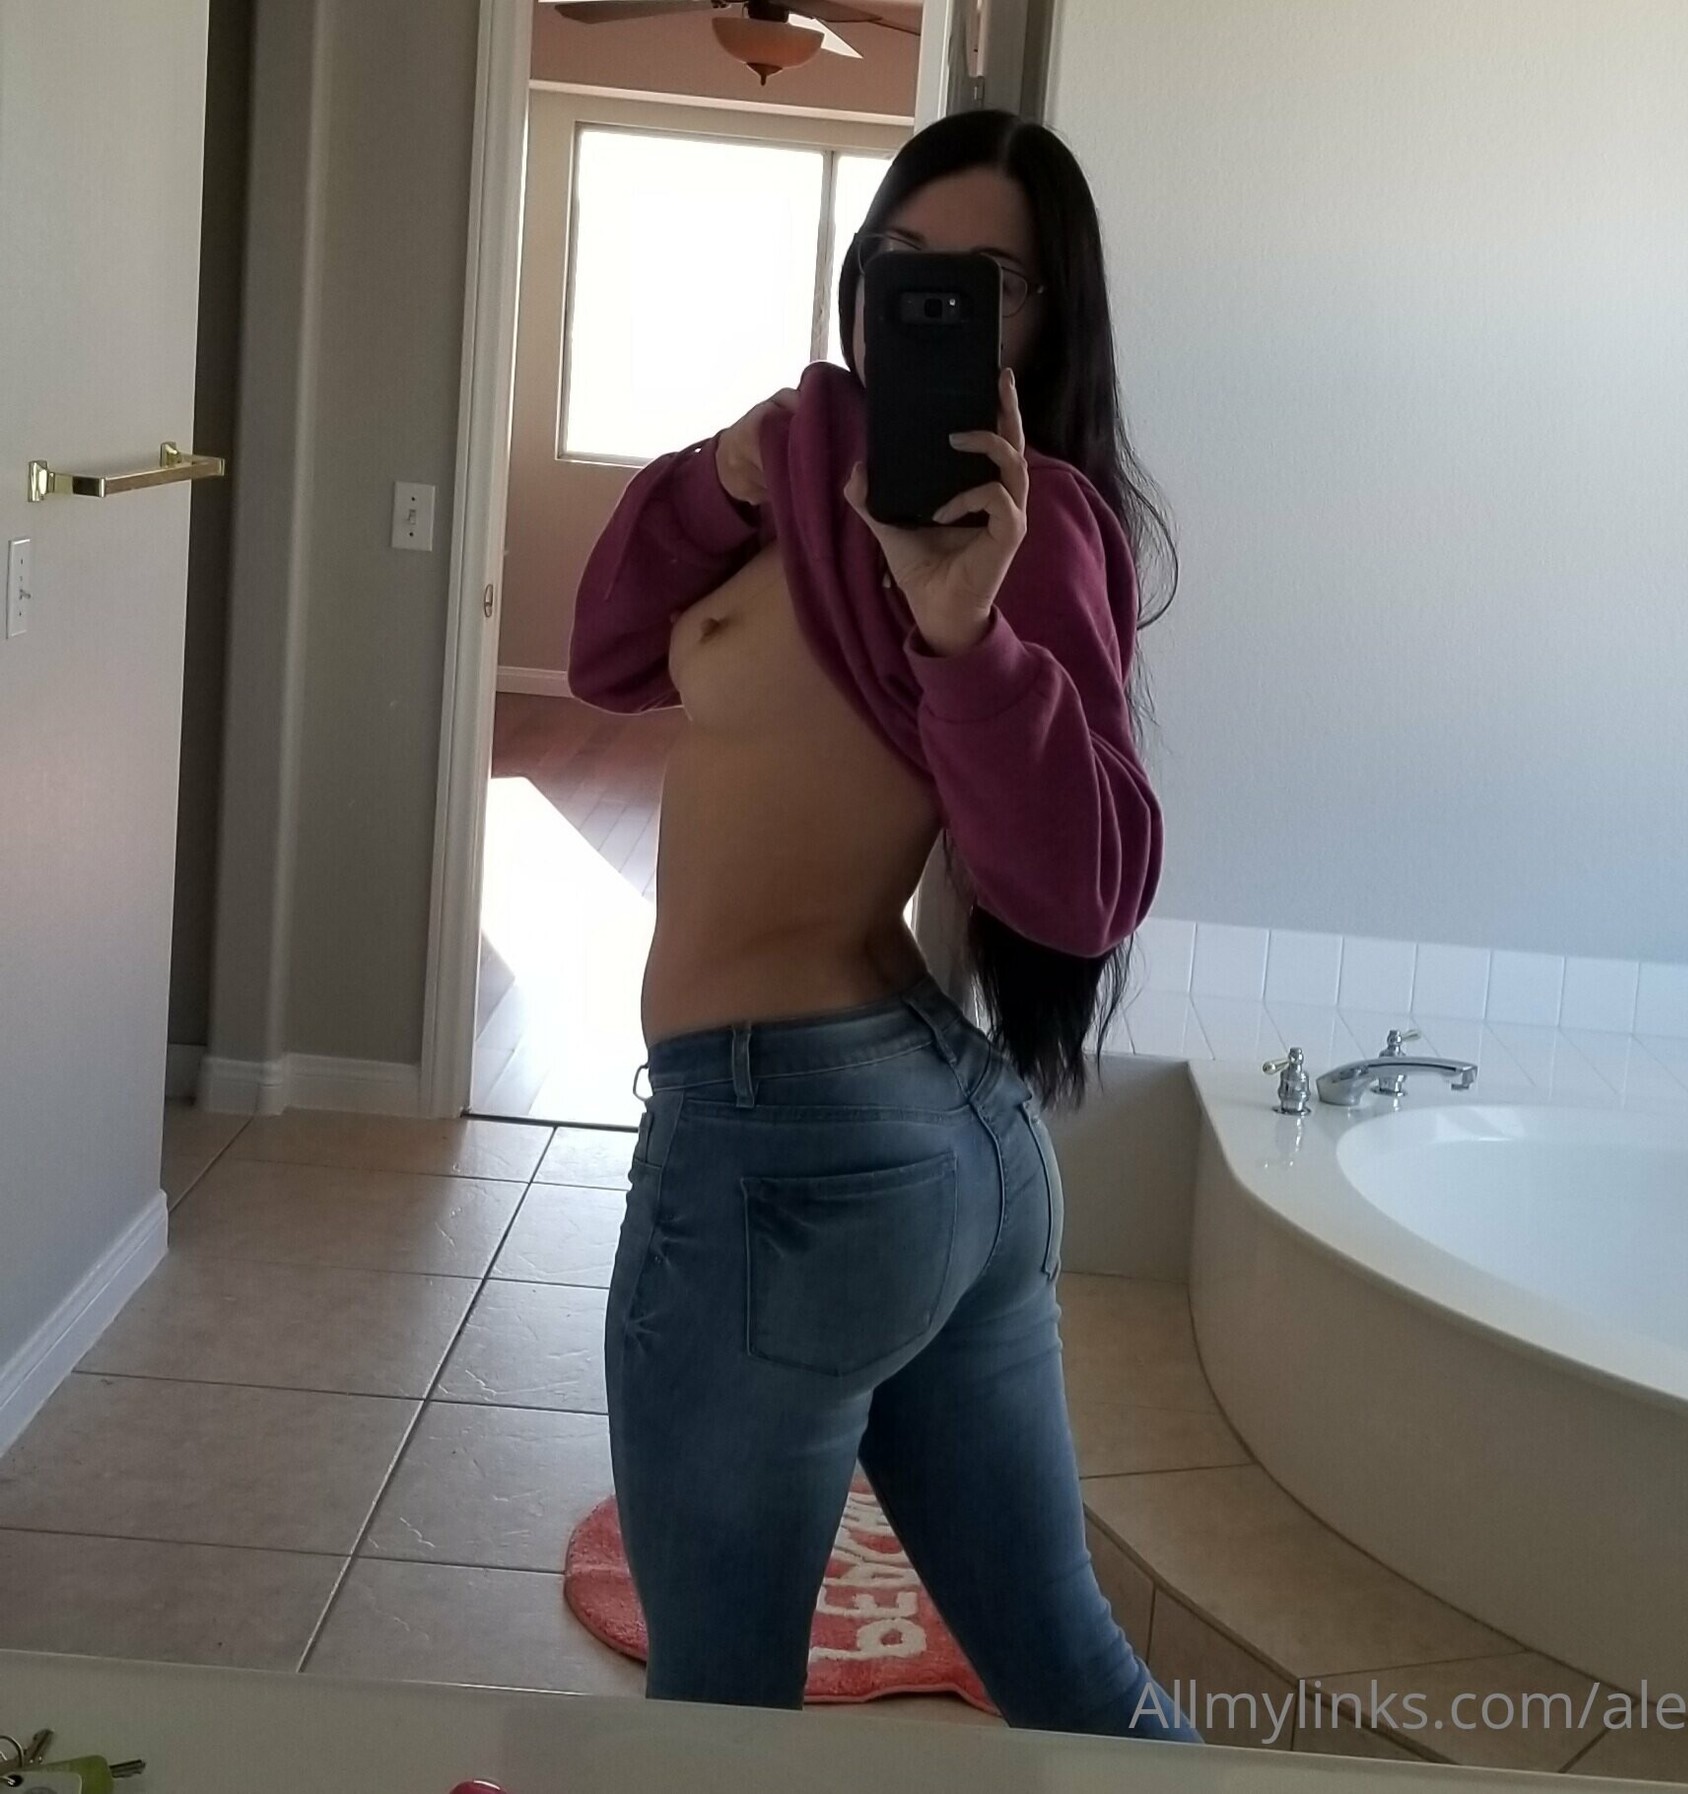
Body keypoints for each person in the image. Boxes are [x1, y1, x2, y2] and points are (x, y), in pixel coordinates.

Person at [570, 107, 1198, 1742]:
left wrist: (967, 635)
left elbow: (1084, 883)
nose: (927, 299)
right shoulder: (796, 463)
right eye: (903, 257)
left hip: (787, 1143)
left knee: (714, 1727)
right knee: (1068, 1680)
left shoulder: (1028, 530)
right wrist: (715, 474)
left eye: (986, 280)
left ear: (1044, 321)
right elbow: (605, 655)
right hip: (911, 1134)